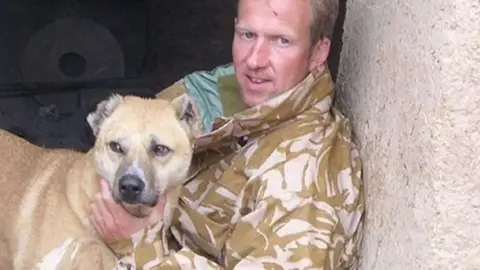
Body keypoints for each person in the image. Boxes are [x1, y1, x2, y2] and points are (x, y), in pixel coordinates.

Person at [90, 0, 365, 269]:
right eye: (247, 34)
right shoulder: (224, 93)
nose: (254, 60)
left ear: (318, 52)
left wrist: (136, 243)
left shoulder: (303, 188)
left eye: (281, 40)